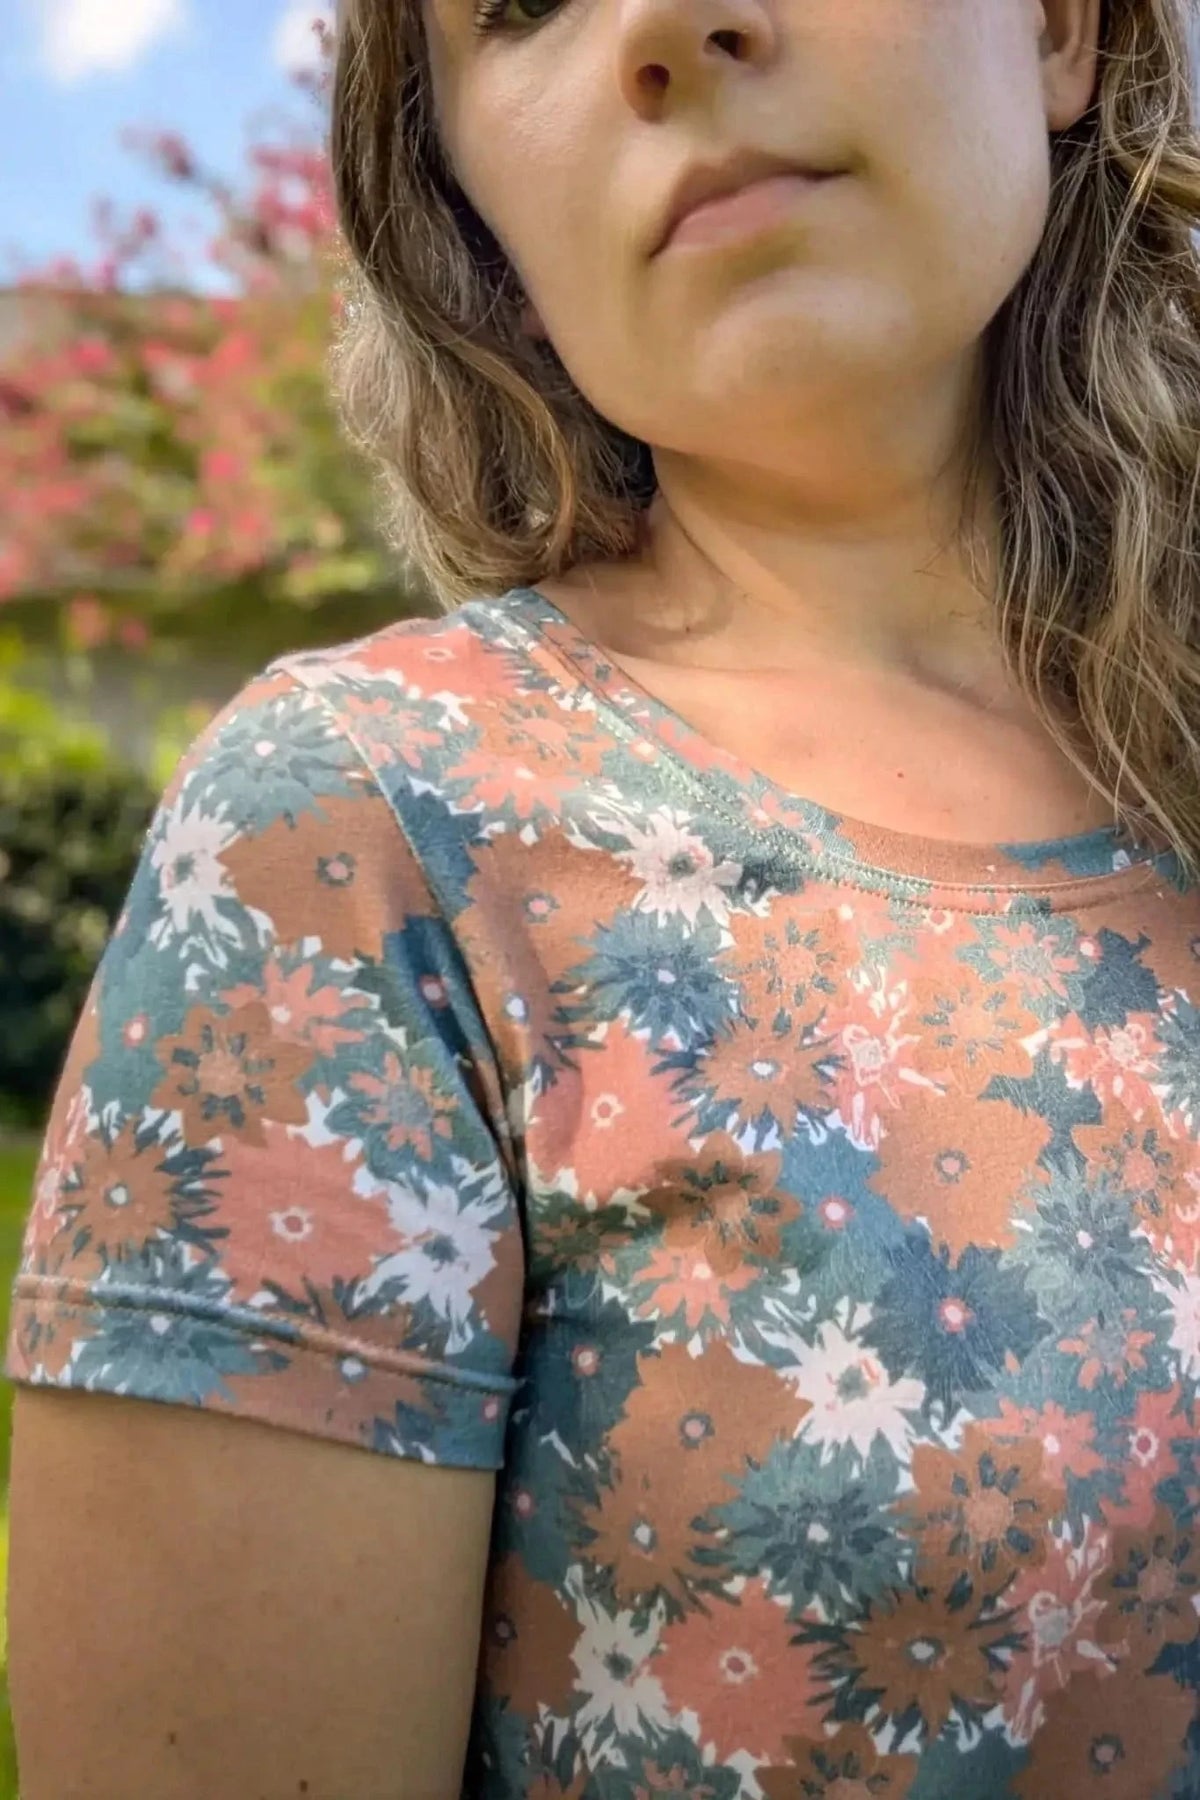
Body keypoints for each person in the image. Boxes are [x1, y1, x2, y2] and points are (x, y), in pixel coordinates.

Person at [7, 0, 1200, 1793]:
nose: (666, 28)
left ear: (1058, 32)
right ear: (469, 203)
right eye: (517, 2)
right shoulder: (362, 839)